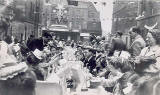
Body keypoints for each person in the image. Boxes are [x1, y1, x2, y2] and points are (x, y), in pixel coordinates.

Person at [128, 29, 160, 95]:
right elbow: (138, 60)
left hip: (153, 78)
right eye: (146, 37)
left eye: (149, 37)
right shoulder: (145, 49)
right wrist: (135, 61)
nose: (147, 39)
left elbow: (157, 68)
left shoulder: (158, 51)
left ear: (156, 38)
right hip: (141, 74)